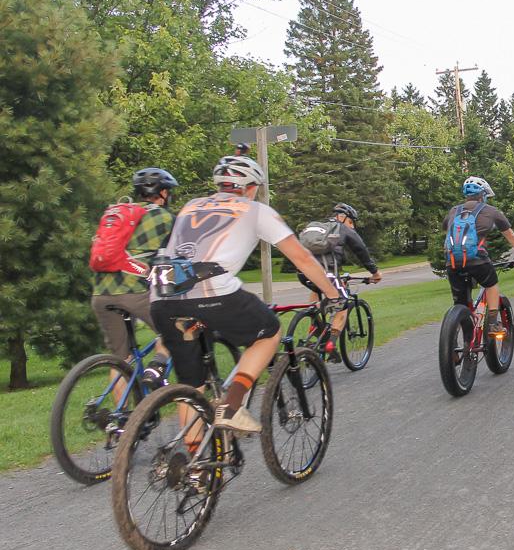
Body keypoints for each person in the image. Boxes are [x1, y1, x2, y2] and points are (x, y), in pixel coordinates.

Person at [150, 155, 345, 434]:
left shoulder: (191, 206)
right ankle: (231, 406)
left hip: (163, 296)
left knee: (192, 388)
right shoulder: (256, 210)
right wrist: (332, 294)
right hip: (212, 292)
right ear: (252, 187)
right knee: (269, 332)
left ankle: (192, 469)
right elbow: (301, 257)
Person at [91, 168, 177, 383]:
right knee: (177, 330)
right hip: (134, 292)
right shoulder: (166, 218)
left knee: (120, 360)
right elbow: (179, 254)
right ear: (164, 193)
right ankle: (156, 369)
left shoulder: (120, 213)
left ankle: (122, 415)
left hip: (101, 293)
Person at [442, 176, 514, 339]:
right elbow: (510, 235)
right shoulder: (491, 211)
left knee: (461, 305)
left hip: (452, 262)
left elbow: (447, 231)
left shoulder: (454, 211)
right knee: (491, 284)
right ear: (483, 195)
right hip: (478, 261)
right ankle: (493, 324)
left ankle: (455, 344)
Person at [299, 202, 382, 358]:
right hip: (327, 274)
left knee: (317, 290)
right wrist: (375, 273)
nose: (353, 226)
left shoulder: (320, 228)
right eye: (351, 222)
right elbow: (361, 250)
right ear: (342, 217)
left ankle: (314, 324)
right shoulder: (341, 228)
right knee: (343, 304)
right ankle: (331, 344)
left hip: (303, 273)